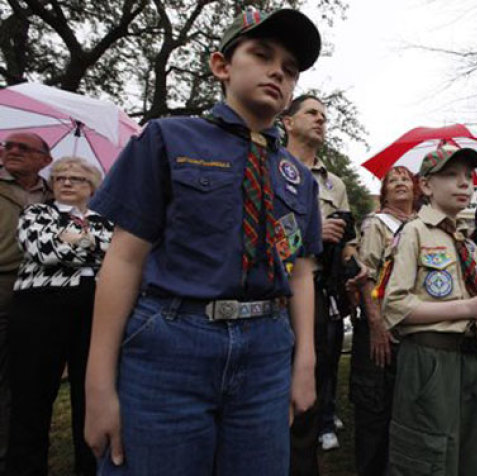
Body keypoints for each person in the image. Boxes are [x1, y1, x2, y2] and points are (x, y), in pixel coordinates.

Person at [83, 7, 322, 475]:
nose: (278, 71)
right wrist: (98, 383)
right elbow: (125, 259)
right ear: (221, 65)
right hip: (171, 345)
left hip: (267, 351)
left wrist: (305, 361)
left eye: (290, 69)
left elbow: (302, 272)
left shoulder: (300, 178)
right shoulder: (167, 138)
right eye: (262, 54)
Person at [381, 144, 477, 476]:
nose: (463, 183)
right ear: (426, 186)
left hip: (471, 361)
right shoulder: (413, 233)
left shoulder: (469, 246)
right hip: (430, 360)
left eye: (467, 176)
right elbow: (394, 306)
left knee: (471, 453)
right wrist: (468, 308)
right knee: (428, 455)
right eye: (450, 175)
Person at [7, 157, 112, 476]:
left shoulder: (106, 221)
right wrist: (91, 246)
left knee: (88, 390)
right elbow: (44, 251)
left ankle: (89, 466)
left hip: (91, 309)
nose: (67, 182)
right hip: (38, 308)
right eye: (61, 177)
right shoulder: (35, 213)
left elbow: (113, 254)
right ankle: (25, 468)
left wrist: (76, 241)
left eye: (77, 179)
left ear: (92, 187)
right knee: (31, 394)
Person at [282, 94, 366, 465]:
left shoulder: (336, 184)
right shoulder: (269, 166)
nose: (320, 120)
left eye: (324, 116)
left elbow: (347, 240)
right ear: (287, 122)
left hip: (317, 291)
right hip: (271, 288)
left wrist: (354, 263)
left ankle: (305, 453)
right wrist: (313, 232)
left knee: (312, 373)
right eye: (311, 113)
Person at [351, 165, 417, 476]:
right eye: (394, 180)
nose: (401, 183)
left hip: (411, 327)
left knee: (404, 409)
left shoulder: (422, 225)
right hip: (380, 327)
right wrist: (376, 326)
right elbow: (366, 278)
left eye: (406, 178)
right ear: (385, 191)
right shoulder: (377, 224)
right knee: (374, 409)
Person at [0, 133, 53, 474]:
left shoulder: (56, 195)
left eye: (24, 148)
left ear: (44, 160)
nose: (13, 151)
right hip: (2, 285)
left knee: (23, 377)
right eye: (9, 146)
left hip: (38, 293)